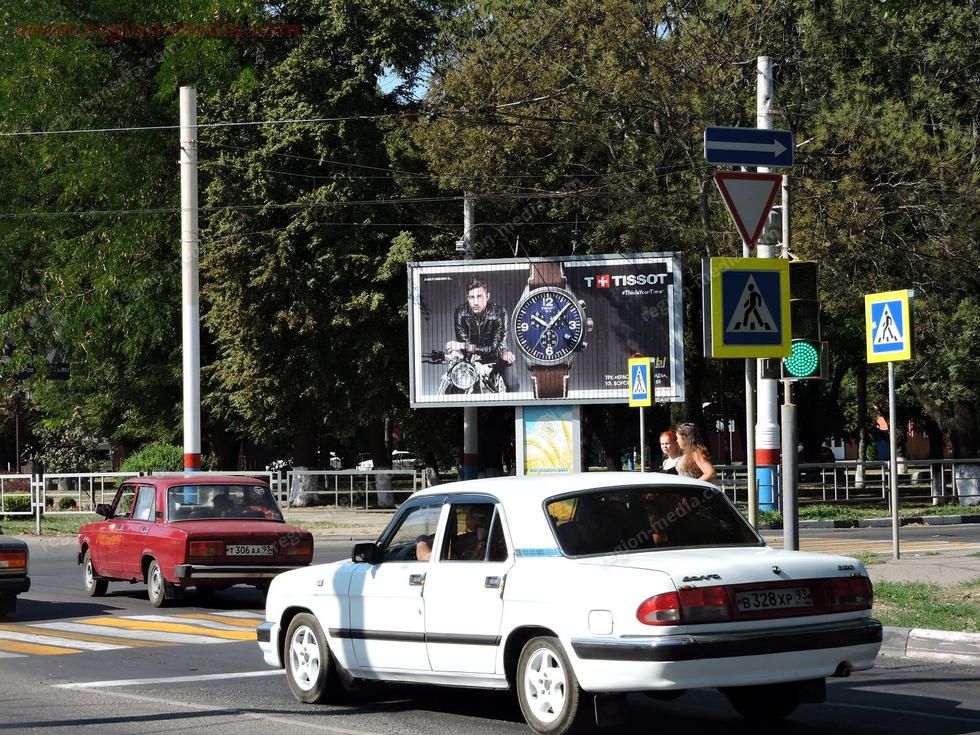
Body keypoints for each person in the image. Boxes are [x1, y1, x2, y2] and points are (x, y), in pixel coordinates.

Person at [445, 278, 517, 391]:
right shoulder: (461, 313)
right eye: (472, 297)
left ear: (487, 296)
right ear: (467, 298)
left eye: (479, 296)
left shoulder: (499, 313)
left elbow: (494, 348)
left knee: (513, 385)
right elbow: (465, 348)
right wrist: (465, 347)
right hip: (472, 357)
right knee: (453, 388)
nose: (475, 302)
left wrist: (463, 346)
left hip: (497, 354)